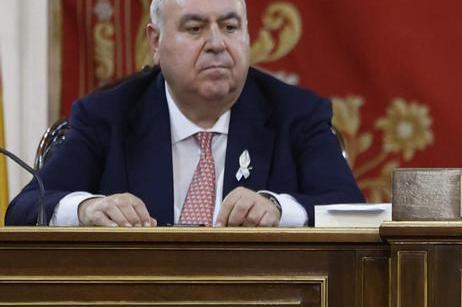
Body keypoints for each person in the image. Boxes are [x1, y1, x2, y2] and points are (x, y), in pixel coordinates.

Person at [4, 0, 363, 227]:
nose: (217, 44)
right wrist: (87, 209)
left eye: (230, 26)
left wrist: (279, 209)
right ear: (156, 42)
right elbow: (25, 209)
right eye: (195, 28)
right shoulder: (107, 115)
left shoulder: (295, 114)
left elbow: (350, 212)